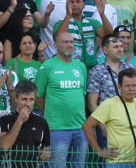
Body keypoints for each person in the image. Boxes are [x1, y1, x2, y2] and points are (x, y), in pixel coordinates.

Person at [38, 23, 90, 168]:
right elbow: (39, 97)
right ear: (55, 46)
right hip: (57, 129)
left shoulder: (81, 67)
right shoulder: (47, 66)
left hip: (80, 128)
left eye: (72, 42)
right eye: (65, 42)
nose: (69, 45)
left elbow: (82, 94)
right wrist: (49, 116)